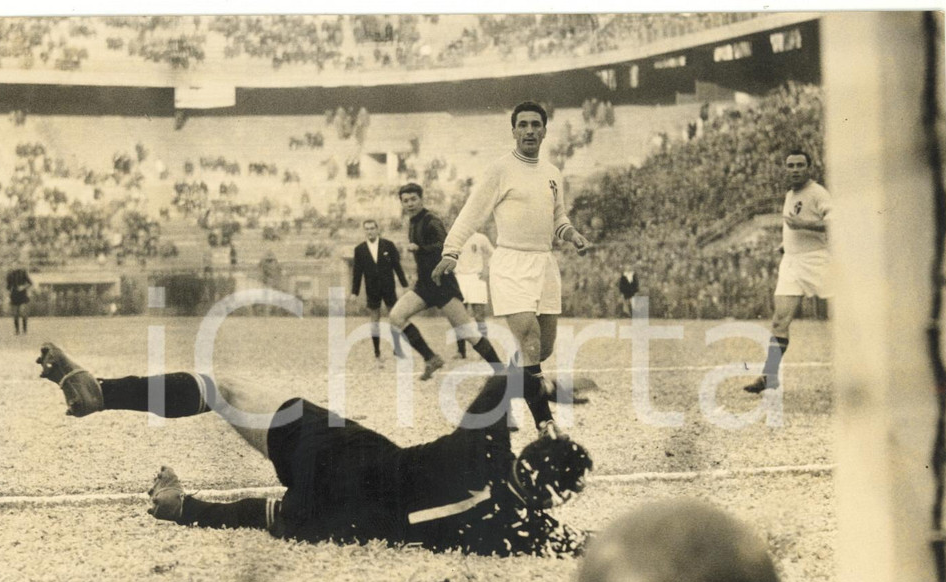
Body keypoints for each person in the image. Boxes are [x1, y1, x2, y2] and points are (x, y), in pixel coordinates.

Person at [35, 342, 592, 558]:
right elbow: (583, 545)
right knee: (273, 518)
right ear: (553, 499)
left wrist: (551, 400)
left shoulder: (484, 453)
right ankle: (185, 508)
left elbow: (509, 377)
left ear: (524, 456)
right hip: (343, 518)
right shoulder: (522, 530)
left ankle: (104, 393)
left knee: (223, 390)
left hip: (341, 455)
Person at [432, 101, 591, 437]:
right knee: (529, 339)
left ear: (545, 131)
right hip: (511, 264)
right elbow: (472, 213)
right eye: (523, 125)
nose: (530, 130)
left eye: (536, 124)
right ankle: (545, 422)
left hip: (544, 265)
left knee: (541, 349)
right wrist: (451, 250)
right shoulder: (500, 170)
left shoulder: (552, 174)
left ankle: (498, 399)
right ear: (514, 131)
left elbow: (557, 216)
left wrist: (571, 232)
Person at [389, 183, 503, 380]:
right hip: (425, 286)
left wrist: (420, 248)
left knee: (467, 332)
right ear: (401, 203)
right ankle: (431, 358)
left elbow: (444, 244)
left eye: (413, 199)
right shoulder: (413, 222)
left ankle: (502, 370)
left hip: (443, 286)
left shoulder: (431, 220)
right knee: (396, 317)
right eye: (405, 200)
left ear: (421, 199)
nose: (409, 204)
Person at [745, 149, 832, 393]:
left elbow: (835, 222)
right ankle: (769, 376)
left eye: (799, 165)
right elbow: (794, 226)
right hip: (792, 264)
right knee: (779, 320)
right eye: (790, 165)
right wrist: (786, 244)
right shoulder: (790, 194)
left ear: (808, 168)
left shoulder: (818, 193)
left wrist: (803, 225)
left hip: (817, 262)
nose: (794, 170)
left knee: (850, 314)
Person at [351, 219, 407, 361]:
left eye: (372, 228)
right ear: (364, 231)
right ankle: (377, 351)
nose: (370, 231)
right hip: (372, 289)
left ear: (377, 229)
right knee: (374, 321)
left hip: (388, 288)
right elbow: (357, 273)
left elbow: (397, 267)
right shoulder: (360, 250)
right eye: (367, 229)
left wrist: (404, 285)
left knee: (394, 318)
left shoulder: (388, 245)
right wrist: (354, 292)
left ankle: (397, 348)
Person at [452, 232, 494, 359]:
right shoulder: (455, 237)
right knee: (458, 316)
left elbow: (494, 254)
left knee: (479, 316)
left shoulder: (481, 238)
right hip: (459, 278)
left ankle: (486, 351)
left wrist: (487, 270)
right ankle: (461, 351)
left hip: (476, 277)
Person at [5, 265, 33, 335]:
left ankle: (24, 330)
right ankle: (17, 330)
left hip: (23, 295)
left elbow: (30, 283)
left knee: (23, 312)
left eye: (17, 264)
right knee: (15, 314)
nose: (15, 266)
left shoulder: (23, 273)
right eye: (13, 264)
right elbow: (8, 287)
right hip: (14, 296)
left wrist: (23, 287)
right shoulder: (10, 275)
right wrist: (7, 296)